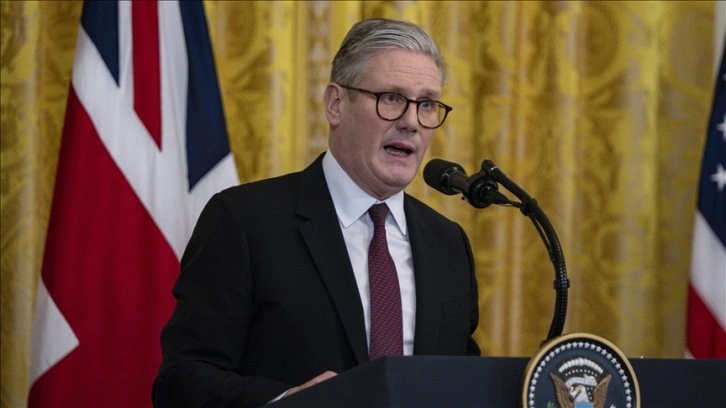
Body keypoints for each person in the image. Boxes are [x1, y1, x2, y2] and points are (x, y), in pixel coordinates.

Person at [153, 18, 480, 408]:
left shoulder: (448, 243)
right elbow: (181, 380)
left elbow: (465, 382)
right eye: (392, 98)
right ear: (336, 104)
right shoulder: (244, 221)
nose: (411, 122)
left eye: (426, 104)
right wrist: (287, 401)